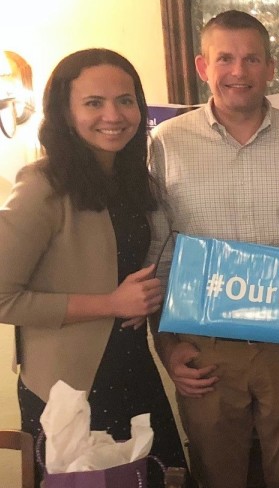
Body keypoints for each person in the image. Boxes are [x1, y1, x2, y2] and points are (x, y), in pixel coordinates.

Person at [147, 10, 279, 487]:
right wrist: (166, 346)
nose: (238, 72)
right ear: (204, 67)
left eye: (251, 59)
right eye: (225, 58)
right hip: (205, 351)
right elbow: (157, 257)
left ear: (271, 68)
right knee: (216, 477)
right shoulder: (165, 144)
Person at [0, 48, 187, 486]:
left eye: (125, 100)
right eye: (93, 102)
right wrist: (111, 302)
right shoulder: (42, 186)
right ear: (65, 112)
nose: (114, 114)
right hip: (70, 387)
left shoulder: (132, 181)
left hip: (131, 369)